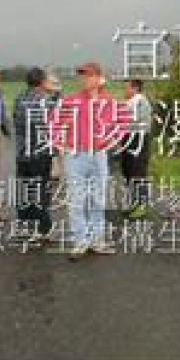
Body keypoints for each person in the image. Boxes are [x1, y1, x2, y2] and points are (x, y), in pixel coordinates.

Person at [49, 62, 129, 260]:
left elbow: (124, 121)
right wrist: (61, 144)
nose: (85, 79)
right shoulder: (71, 101)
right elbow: (54, 123)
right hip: (76, 156)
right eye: (82, 75)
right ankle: (80, 241)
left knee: (97, 199)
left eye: (89, 75)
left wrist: (112, 140)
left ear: (99, 78)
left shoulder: (109, 102)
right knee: (77, 200)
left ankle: (96, 240)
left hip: (99, 155)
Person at [13, 67, 60, 243]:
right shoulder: (44, 100)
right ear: (42, 82)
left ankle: (24, 226)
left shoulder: (19, 97)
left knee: (25, 190)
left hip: (22, 153)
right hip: (39, 154)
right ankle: (44, 229)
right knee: (41, 192)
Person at [121, 79, 153, 220]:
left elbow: (132, 121)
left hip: (138, 141)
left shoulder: (141, 102)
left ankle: (142, 206)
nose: (125, 91)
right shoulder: (131, 102)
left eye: (127, 88)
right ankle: (134, 204)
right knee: (130, 173)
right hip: (130, 140)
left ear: (135, 89)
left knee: (138, 173)